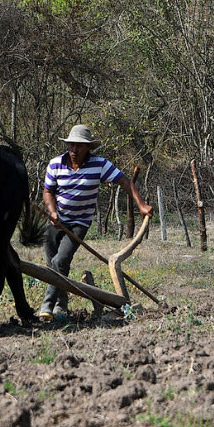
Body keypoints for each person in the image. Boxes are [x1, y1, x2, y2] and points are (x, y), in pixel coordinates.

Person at [40, 123, 152, 320]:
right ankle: (61, 306)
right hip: (55, 221)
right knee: (54, 265)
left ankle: (47, 305)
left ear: (88, 148)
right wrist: (52, 212)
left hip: (79, 223)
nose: (74, 150)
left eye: (79, 146)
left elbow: (125, 181)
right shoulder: (55, 163)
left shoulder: (99, 165)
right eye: (71, 145)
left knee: (60, 260)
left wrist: (141, 205)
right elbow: (48, 191)